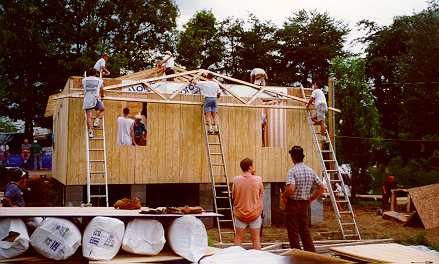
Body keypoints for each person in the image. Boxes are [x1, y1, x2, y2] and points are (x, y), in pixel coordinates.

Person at [283, 146, 325, 252]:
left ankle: (297, 254)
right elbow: (321, 187)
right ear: (302, 157)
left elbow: (291, 188)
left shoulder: (292, 171)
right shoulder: (310, 171)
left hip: (293, 203)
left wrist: (283, 195)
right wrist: (311, 199)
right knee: (304, 229)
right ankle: (311, 253)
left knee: (293, 231)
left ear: (292, 157)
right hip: (304, 203)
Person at [232, 158, 264, 250]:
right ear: (250, 167)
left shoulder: (236, 180)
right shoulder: (258, 179)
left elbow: (233, 196)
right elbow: (260, 194)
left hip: (240, 214)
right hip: (255, 214)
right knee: (256, 239)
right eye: (253, 165)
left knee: (238, 238)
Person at [83, 67, 105, 138]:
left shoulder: (84, 80)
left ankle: (90, 132)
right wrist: (102, 96)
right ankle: (97, 120)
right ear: (95, 73)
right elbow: (102, 89)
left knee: (89, 117)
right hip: (95, 98)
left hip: (87, 99)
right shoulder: (99, 80)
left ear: (88, 73)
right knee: (102, 110)